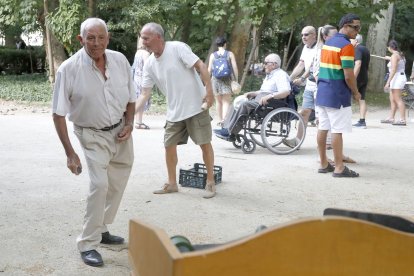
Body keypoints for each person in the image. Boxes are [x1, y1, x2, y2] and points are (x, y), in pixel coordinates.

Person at [52, 18, 136, 267]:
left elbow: (131, 98)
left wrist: (130, 124)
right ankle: (88, 243)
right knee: (99, 185)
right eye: (90, 38)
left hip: (121, 131)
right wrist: (70, 153)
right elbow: (58, 114)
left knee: (117, 183)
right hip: (91, 134)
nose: (96, 43)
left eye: (101, 37)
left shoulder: (120, 60)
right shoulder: (68, 69)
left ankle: (101, 228)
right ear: (81, 39)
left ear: (108, 39)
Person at [137, 22, 216, 199]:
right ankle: (172, 183)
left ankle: (210, 181)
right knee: (168, 145)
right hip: (174, 111)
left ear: (158, 37)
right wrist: (128, 115)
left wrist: (209, 93)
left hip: (196, 106)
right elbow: (144, 94)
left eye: (146, 38)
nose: (143, 42)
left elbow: (201, 66)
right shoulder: (150, 63)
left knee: (204, 143)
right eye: (142, 38)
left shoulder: (177, 48)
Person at [316, 13, 361, 177]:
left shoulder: (328, 43)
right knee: (337, 130)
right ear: (346, 26)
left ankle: (323, 163)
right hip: (337, 93)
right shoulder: (346, 46)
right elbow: (349, 75)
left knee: (322, 128)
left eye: (359, 28)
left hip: (322, 91)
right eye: (355, 27)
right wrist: (356, 92)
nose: (357, 31)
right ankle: (339, 167)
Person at [214, 53, 291, 140]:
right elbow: (263, 91)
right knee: (237, 101)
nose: (264, 65)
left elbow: (286, 91)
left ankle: (231, 131)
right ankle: (226, 128)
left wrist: (270, 96)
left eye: (266, 63)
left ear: (273, 64)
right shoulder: (270, 76)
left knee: (245, 105)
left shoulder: (281, 75)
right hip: (260, 99)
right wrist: (252, 93)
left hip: (269, 103)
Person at [285, 26, 317, 148]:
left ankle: (328, 142)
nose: (304, 37)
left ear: (314, 35)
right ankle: (297, 141)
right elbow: (301, 64)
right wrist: (289, 78)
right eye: (302, 34)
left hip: (320, 85)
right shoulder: (305, 48)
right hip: (310, 85)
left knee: (322, 116)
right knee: (304, 113)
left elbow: (313, 67)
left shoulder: (319, 49)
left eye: (307, 34)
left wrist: (302, 78)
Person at [208, 36, 238, 127]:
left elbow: (209, 69)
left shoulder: (213, 55)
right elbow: (235, 67)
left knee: (218, 101)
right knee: (226, 101)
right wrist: (236, 80)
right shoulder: (230, 54)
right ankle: (224, 120)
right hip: (227, 79)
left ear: (217, 45)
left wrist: (207, 81)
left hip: (215, 80)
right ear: (225, 44)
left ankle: (220, 119)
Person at [381, 40, 407, 126]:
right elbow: (396, 61)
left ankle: (402, 120)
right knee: (392, 99)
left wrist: (388, 82)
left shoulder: (395, 56)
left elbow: (394, 69)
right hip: (397, 77)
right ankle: (391, 118)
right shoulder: (399, 54)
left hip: (397, 77)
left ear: (390, 47)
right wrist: (389, 58)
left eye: (388, 47)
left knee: (397, 99)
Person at [351, 34, 371, 128]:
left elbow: (358, 63)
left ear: (356, 40)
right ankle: (362, 121)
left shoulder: (357, 49)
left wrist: (353, 78)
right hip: (364, 77)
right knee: (361, 99)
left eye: (351, 40)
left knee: (347, 97)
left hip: (358, 78)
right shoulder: (366, 49)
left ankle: (344, 120)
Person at [132, 37, 151, 129]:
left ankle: (137, 121)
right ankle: (138, 122)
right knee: (142, 100)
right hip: (143, 79)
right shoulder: (146, 54)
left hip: (136, 78)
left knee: (138, 99)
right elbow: (147, 68)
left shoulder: (138, 53)